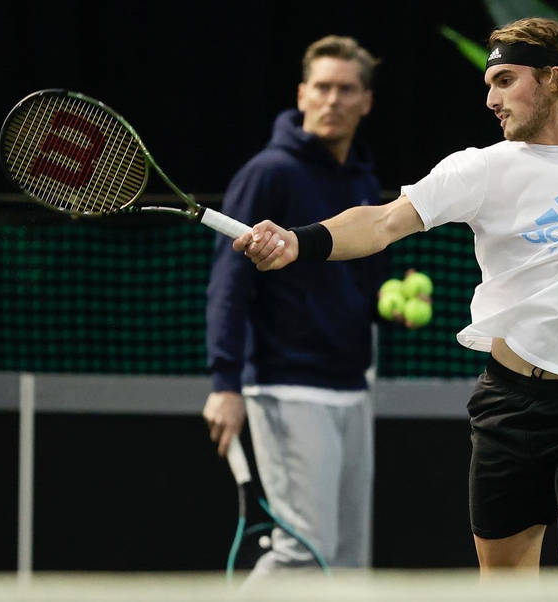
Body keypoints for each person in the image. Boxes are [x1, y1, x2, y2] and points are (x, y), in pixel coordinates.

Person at [234, 18, 558, 579]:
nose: (491, 99)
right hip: (509, 408)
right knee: (505, 589)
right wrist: (296, 242)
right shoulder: (481, 169)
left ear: (553, 78)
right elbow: (380, 223)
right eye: (487, 85)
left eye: (504, 80)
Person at [203, 35, 387, 575]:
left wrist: (387, 305)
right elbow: (228, 285)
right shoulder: (269, 174)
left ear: (365, 102)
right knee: (305, 554)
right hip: (285, 386)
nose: (333, 100)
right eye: (323, 88)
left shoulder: (363, 182)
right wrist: (224, 383)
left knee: (348, 560)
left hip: (353, 387)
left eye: (346, 89)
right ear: (302, 94)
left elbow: (359, 285)